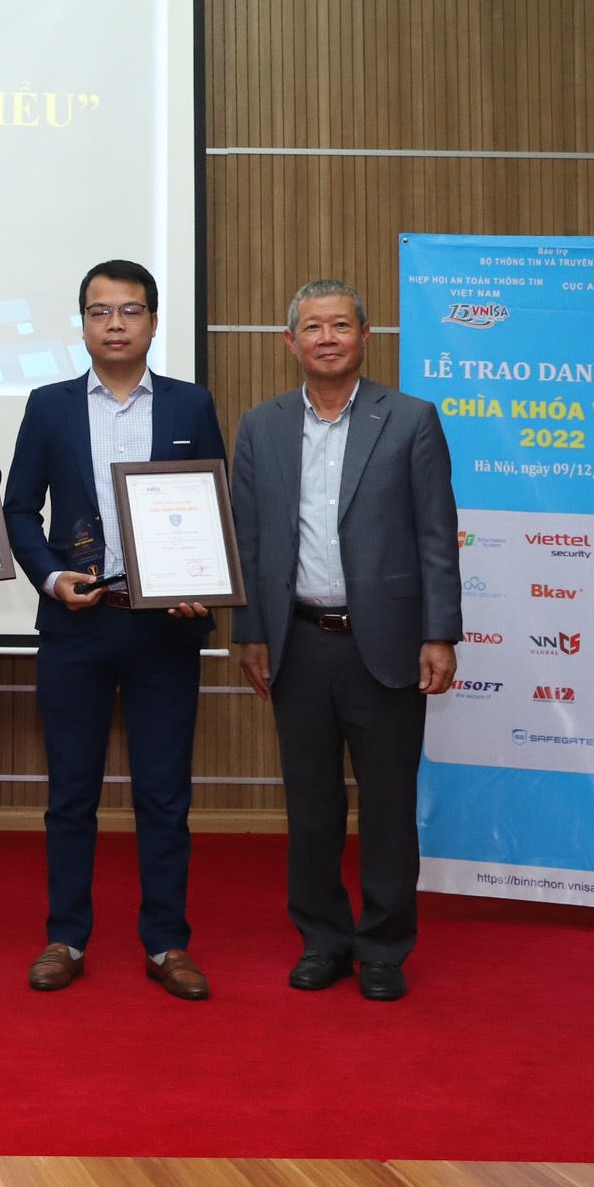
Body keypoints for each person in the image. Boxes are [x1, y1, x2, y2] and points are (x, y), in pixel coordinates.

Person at [229, 278, 461, 1002]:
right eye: (312, 327)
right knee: (312, 805)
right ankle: (323, 940)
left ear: (366, 335)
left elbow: (436, 535)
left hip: (386, 643)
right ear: (289, 341)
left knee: (388, 806)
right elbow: (249, 539)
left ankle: (384, 947)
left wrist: (440, 633)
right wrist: (250, 634)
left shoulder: (411, 419)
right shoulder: (260, 426)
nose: (325, 338)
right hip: (298, 642)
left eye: (339, 325)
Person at [2, 260, 224, 1001]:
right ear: (83, 324)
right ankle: (65, 937)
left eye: (131, 310)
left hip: (164, 630)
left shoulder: (191, 405)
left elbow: (212, 506)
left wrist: (200, 586)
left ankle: (167, 942)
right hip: (78, 626)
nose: (116, 324)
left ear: (154, 322)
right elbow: (18, 510)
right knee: (71, 792)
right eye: (101, 312)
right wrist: (49, 576)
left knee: (164, 795)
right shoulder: (50, 406)